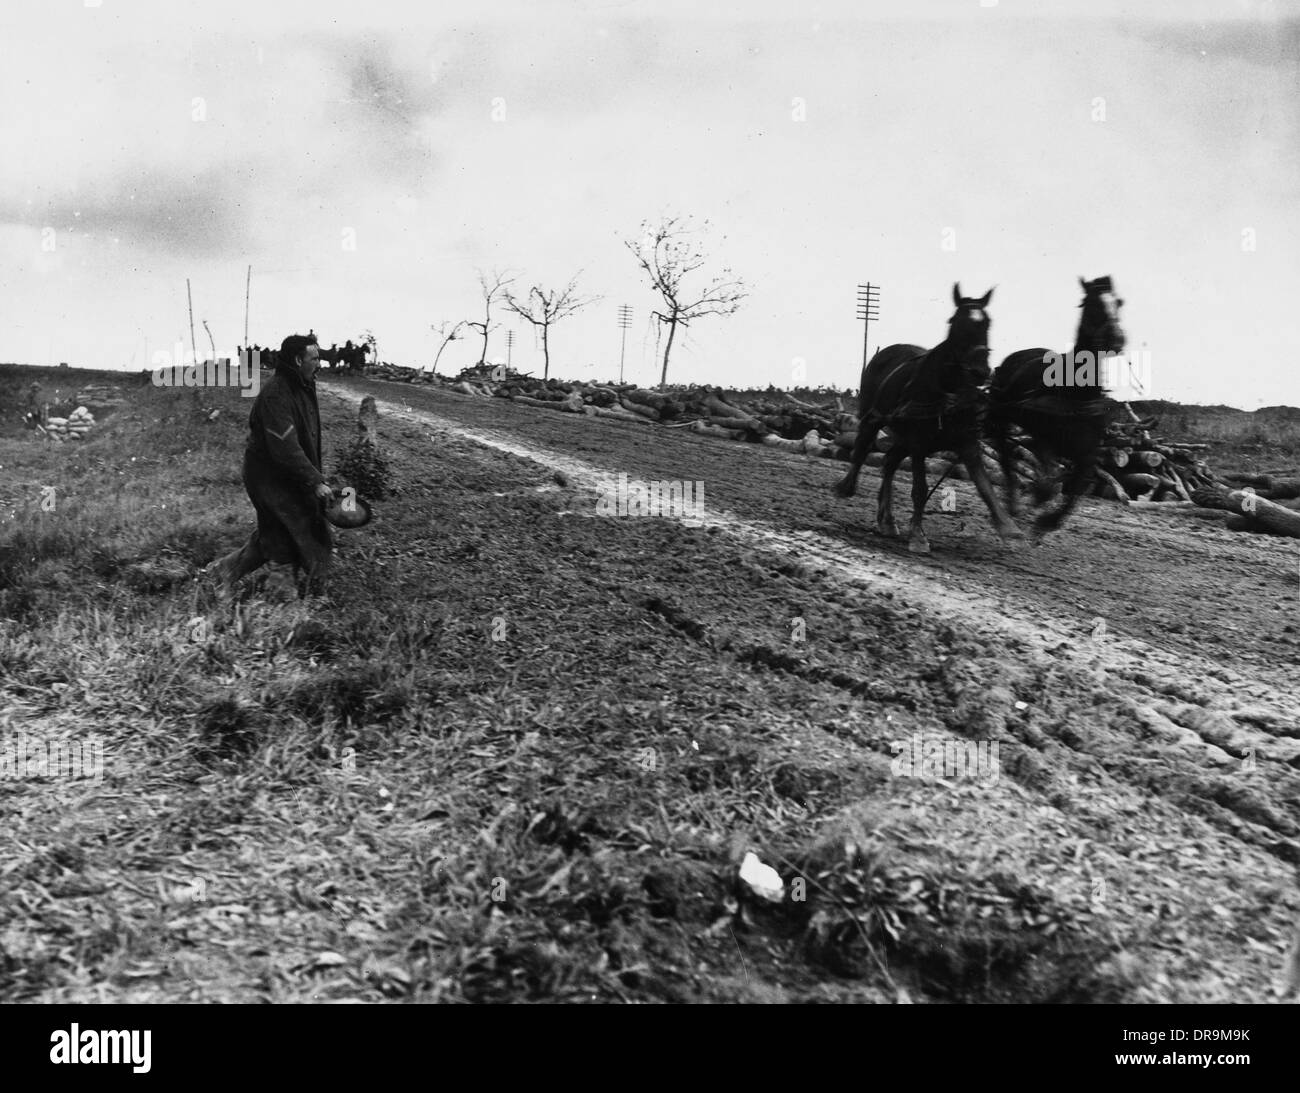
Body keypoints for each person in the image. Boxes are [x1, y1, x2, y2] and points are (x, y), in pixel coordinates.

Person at [211, 334, 334, 599]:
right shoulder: (276, 395)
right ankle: (282, 596)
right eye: (315, 358)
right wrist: (315, 481)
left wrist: (313, 477)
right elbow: (286, 448)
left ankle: (225, 571)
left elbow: (305, 440)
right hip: (268, 476)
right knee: (292, 528)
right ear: (298, 359)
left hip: (287, 474)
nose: (320, 364)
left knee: (282, 527)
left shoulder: (301, 385)